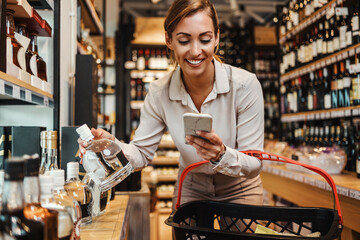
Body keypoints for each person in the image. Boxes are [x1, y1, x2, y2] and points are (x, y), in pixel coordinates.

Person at [78, 0, 264, 211]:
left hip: (240, 186)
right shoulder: (159, 92)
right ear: (169, 39)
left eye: (205, 39)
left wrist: (221, 155)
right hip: (192, 183)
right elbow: (141, 153)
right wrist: (111, 145)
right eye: (184, 41)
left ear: (217, 38)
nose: (195, 51)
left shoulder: (245, 86)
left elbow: (254, 164)